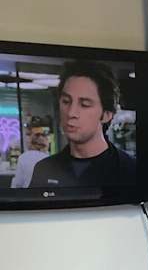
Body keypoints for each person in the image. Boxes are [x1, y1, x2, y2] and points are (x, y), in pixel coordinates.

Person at [29, 60, 136, 188]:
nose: (71, 113)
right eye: (66, 101)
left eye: (84, 104)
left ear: (106, 114)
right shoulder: (44, 169)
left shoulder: (129, 170)